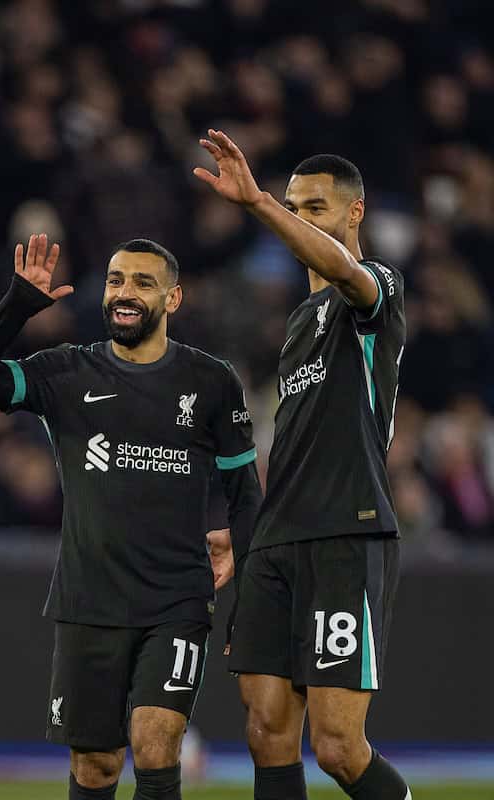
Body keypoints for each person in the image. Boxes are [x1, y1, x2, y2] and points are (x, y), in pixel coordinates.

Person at [0, 234, 263, 800]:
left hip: (177, 599)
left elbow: (245, 496)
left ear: (173, 299)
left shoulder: (212, 382)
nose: (125, 292)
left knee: (156, 742)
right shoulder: (66, 372)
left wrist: (248, 611)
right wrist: (18, 304)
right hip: (88, 599)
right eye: (117, 280)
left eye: (143, 283)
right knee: (96, 764)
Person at [195, 130, 409, 800]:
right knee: (266, 731)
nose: (297, 217)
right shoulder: (297, 323)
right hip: (276, 544)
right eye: (292, 205)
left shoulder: (375, 292)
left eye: (313, 207)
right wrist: (246, 529)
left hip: (346, 532)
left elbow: (345, 270)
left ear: (354, 213)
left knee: (340, 748)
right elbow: (289, 447)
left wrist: (257, 203)